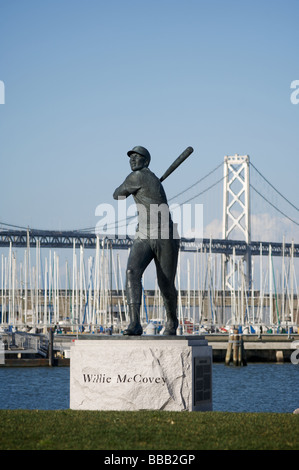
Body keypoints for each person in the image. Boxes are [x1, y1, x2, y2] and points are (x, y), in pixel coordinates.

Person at [113, 146, 179, 335]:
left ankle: (172, 322)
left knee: (165, 283)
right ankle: (135, 324)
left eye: (137, 157)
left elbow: (117, 195)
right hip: (144, 234)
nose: (132, 160)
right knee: (132, 272)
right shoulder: (146, 178)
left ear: (146, 161)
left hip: (164, 234)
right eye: (131, 157)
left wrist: (131, 189)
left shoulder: (137, 177)